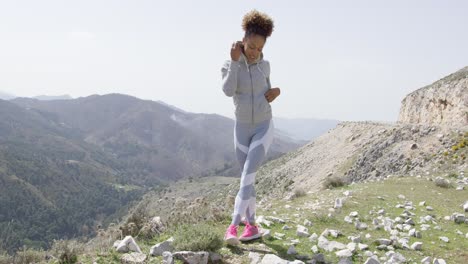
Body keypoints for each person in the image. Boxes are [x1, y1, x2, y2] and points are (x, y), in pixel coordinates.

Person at [221, 9, 281, 245]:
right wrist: (236, 61)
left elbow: (267, 90)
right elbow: (227, 90)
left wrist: (276, 92)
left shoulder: (265, 65)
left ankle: (233, 227)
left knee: (246, 176)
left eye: (260, 48)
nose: (255, 52)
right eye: (251, 47)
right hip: (241, 129)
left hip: (263, 127)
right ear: (242, 41)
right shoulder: (230, 64)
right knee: (249, 180)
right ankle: (253, 227)